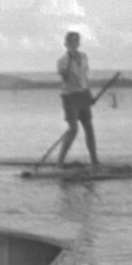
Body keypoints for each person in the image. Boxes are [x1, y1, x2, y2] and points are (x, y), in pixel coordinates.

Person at [56, 30, 99, 167]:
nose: (74, 43)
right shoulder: (62, 60)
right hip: (69, 96)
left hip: (83, 95)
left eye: (76, 41)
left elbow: (85, 78)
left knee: (89, 128)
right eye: (71, 41)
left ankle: (94, 161)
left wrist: (90, 95)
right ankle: (60, 162)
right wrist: (70, 60)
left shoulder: (84, 57)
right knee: (73, 129)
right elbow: (65, 78)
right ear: (66, 44)